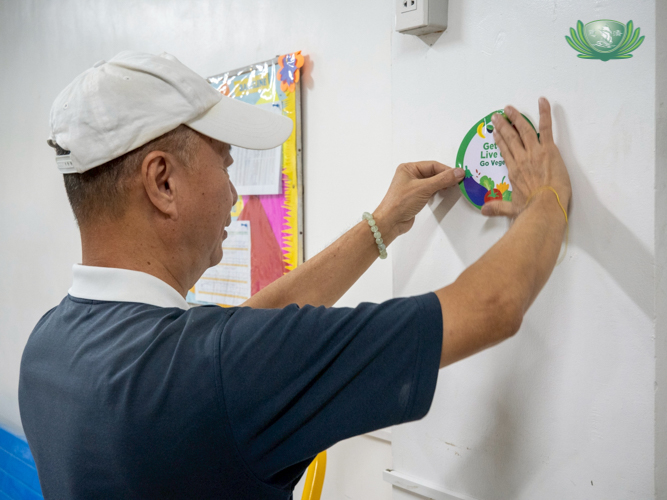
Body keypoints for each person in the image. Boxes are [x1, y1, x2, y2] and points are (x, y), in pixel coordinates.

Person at [19, 51, 571, 500]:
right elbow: (493, 305)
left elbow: (242, 334)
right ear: (162, 182)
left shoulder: (47, 347)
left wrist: (379, 226)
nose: (234, 196)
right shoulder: (218, 370)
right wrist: (545, 199)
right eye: (226, 162)